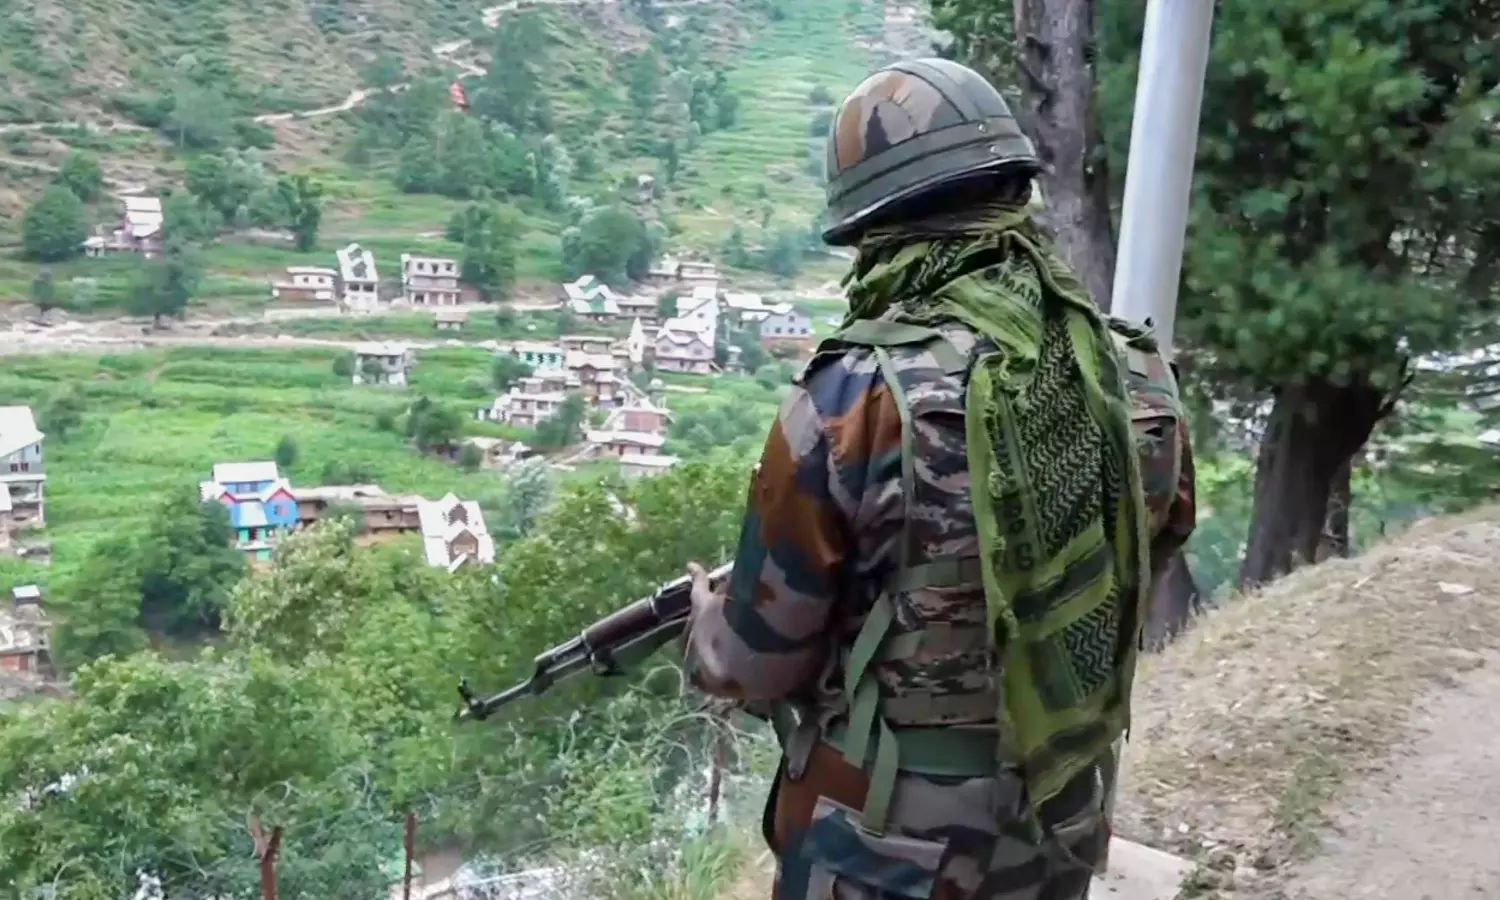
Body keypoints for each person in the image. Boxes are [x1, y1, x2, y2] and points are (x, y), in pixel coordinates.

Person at [682, 57, 1196, 900]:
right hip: (1055, 824)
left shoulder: (850, 398)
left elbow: (757, 662)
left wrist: (707, 622)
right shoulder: (1130, 371)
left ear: (874, 230)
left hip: (885, 851)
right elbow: (1152, 546)